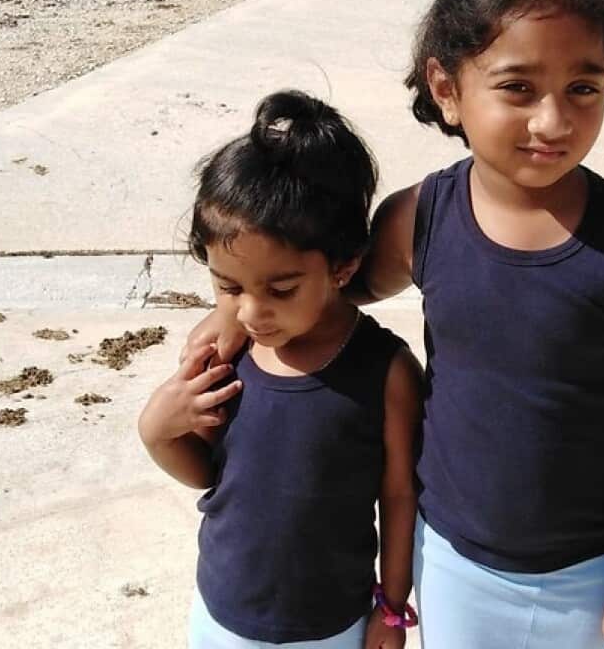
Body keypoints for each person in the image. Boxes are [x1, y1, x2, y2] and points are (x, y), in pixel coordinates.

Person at [185, 0, 604, 647]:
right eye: (518, 87)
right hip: (453, 561)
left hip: (595, 572)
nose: (553, 121)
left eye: (583, 87)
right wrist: (233, 308)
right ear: (447, 89)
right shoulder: (420, 220)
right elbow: (324, 286)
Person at [140, 90, 423, 648]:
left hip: (330, 626)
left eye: (281, 289)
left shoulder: (386, 373)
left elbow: (398, 499)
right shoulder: (226, 352)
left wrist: (391, 610)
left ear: (344, 265)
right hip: (222, 614)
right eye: (228, 286)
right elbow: (209, 474)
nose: (250, 310)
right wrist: (157, 427)